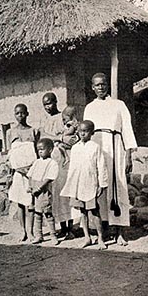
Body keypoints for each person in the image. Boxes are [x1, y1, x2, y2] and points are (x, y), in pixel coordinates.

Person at [84, 73, 137, 245]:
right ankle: (103, 230)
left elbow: (127, 130)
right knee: (101, 187)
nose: (100, 87)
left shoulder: (119, 105)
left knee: (118, 186)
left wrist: (129, 155)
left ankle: (120, 231)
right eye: (97, 85)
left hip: (116, 148)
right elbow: (86, 134)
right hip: (97, 149)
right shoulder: (89, 108)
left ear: (108, 85)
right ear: (92, 87)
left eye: (103, 84)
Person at [61, 120, 108, 249]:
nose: (82, 134)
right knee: (82, 212)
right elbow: (72, 168)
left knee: (94, 212)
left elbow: (101, 166)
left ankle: (100, 238)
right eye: (80, 131)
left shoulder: (95, 147)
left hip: (91, 184)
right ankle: (87, 237)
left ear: (91, 133)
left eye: (86, 131)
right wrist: (71, 186)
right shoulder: (75, 148)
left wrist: (101, 184)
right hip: (79, 184)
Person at [39, 93, 76, 239]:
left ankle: (70, 228)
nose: (48, 107)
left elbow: (71, 136)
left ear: (56, 102)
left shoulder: (64, 116)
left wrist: (61, 139)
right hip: (52, 156)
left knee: (66, 191)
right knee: (56, 194)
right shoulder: (44, 119)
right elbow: (43, 136)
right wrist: (59, 138)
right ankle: (62, 227)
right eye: (45, 105)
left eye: (50, 103)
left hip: (65, 157)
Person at [7, 104, 38, 242]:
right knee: (20, 203)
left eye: (22, 113)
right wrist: (17, 168)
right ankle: (23, 231)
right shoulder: (10, 132)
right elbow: (10, 153)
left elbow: (36, 151)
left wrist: (31, 169)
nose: (20, 116)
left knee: (30, 203)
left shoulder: (32, 131)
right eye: (17, 113)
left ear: (27, 113)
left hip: (30, 171)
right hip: (18, 172)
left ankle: (30, 232)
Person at [27, 138, 59, 246]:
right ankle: (38, 235)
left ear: (50, 150)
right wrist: (30, 186)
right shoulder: (37, 162)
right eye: (38, 149)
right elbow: (30, 175)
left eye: (42, 149)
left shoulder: (52, 163)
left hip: (44, 190)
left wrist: (39, 188)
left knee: (48, 213)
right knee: (37, 214)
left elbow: (49, 178)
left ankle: (53, 235)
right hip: (35, 192)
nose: (40, 151)